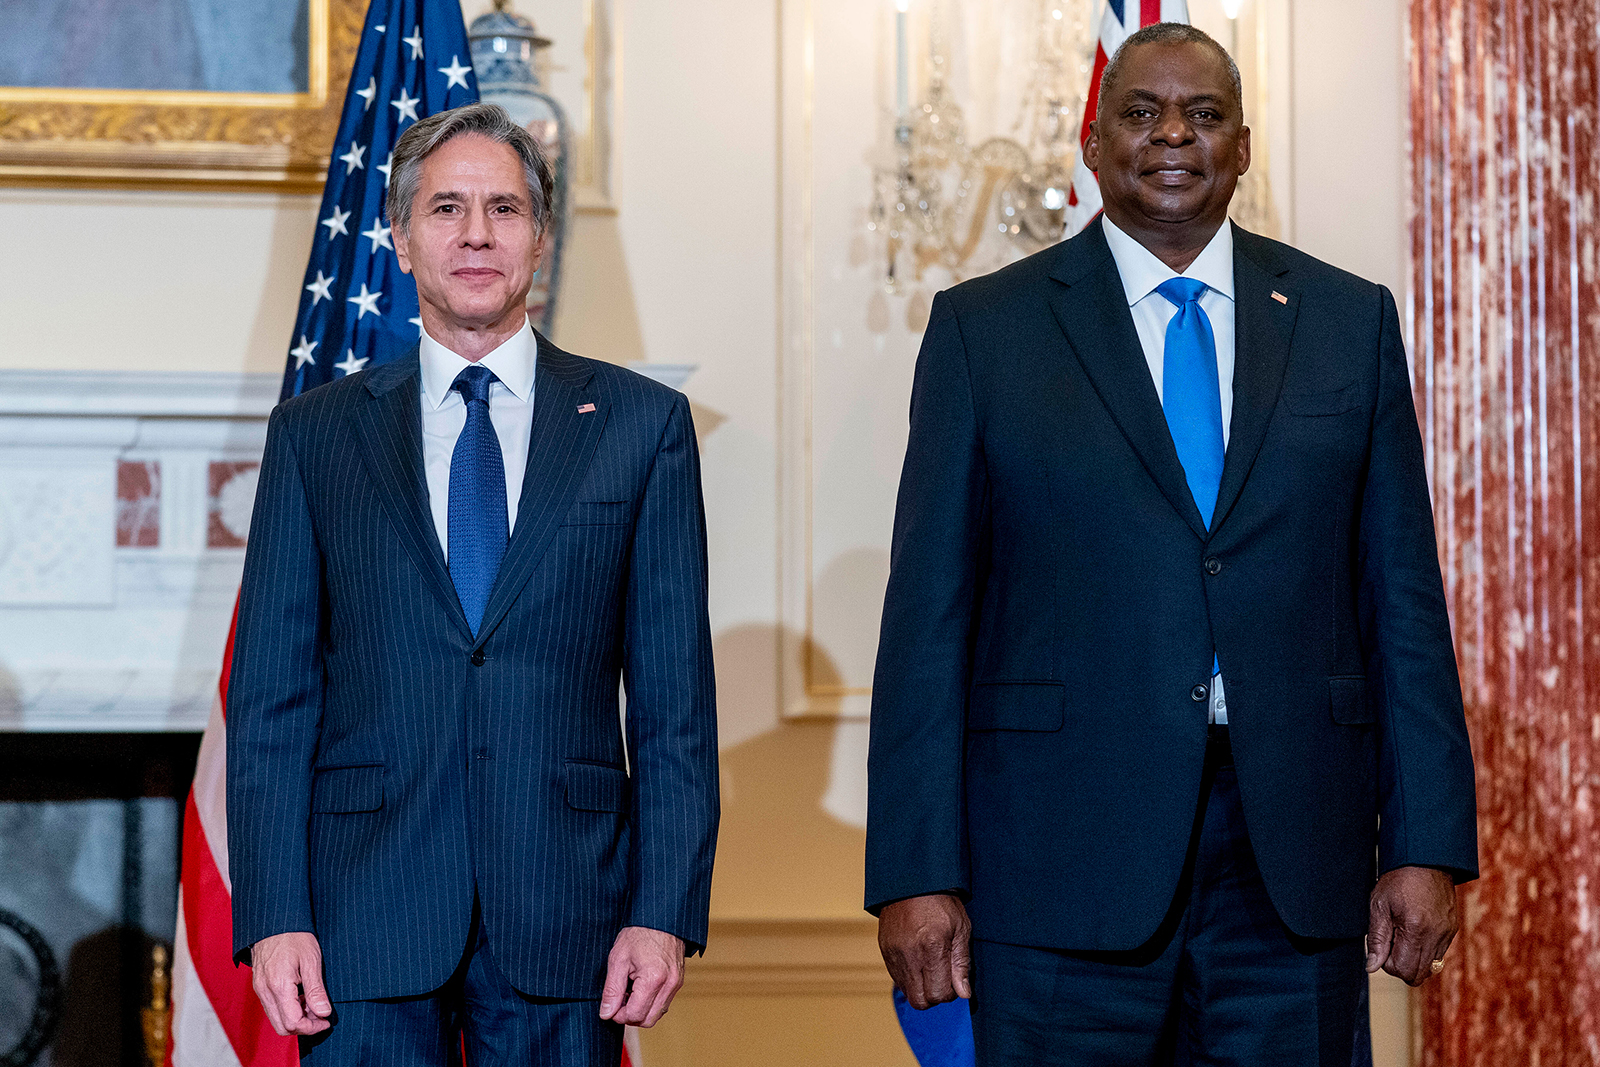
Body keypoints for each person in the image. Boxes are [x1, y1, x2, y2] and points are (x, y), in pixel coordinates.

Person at [865, 23, 1477, 1066]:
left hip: (1292, 869)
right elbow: (929, 616)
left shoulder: (1346, 321)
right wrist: (914, 870)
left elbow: (1401, 601)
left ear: (1242, 147)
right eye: (1140, 113)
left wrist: (1425, 841)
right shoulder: (986, 330)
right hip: (1057, 867)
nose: (1171, 137)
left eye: (1202, 114)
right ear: (1093, 146)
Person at [226, 102, 719, 1065]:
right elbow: (272, 702)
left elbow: (674, 707)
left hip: (567, 909)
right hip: (360, 914)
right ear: (403, 239)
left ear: (539, 237)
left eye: (504, 208)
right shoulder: (315, 436)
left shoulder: (640, 425)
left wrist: (663, 910)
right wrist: (275, 912)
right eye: (447, 209)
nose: (477, 233)